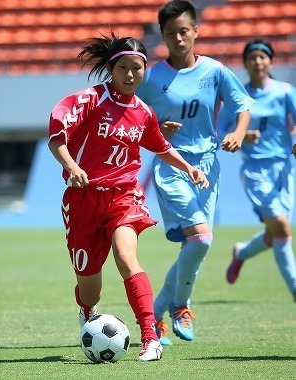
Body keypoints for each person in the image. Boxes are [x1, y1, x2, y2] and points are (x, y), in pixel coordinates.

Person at [48, 31, 209, 361]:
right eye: (124, 67)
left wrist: (188, 168)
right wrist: (72, 166)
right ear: (112, 68)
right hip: (82, 199)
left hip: (123, 196)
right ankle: (88, 306)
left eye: (138, 68)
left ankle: (150, 336)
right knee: (89, 287)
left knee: (126, 255)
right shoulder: (90, 100)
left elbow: (161, 148)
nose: (131, 74)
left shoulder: (144, 112)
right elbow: (56, 135)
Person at [135, 0, 255, 345]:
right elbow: (135, 120)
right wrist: (158, 129)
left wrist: (235, 132)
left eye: (184, 31)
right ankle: (181, 308)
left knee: (195, 244)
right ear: (163, 36)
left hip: (208, 167)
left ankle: (154, 316)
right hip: (171, 166)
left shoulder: (214, 71)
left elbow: (242, 106)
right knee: (201, 239)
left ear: (195, 31)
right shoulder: (151, 77)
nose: (178, 38)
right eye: (170, 33)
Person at [217, 39, 296, 302]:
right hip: (255, 170)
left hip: (285, 169)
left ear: (271, 61)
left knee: (276, 233)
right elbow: (220, 131)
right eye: (252, 57)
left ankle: (241, 252)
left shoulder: (285, 91)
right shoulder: (239, 97)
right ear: (246, 63)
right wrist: (239, 135)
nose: (258, 62)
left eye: (263, 57)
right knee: (283, 227)